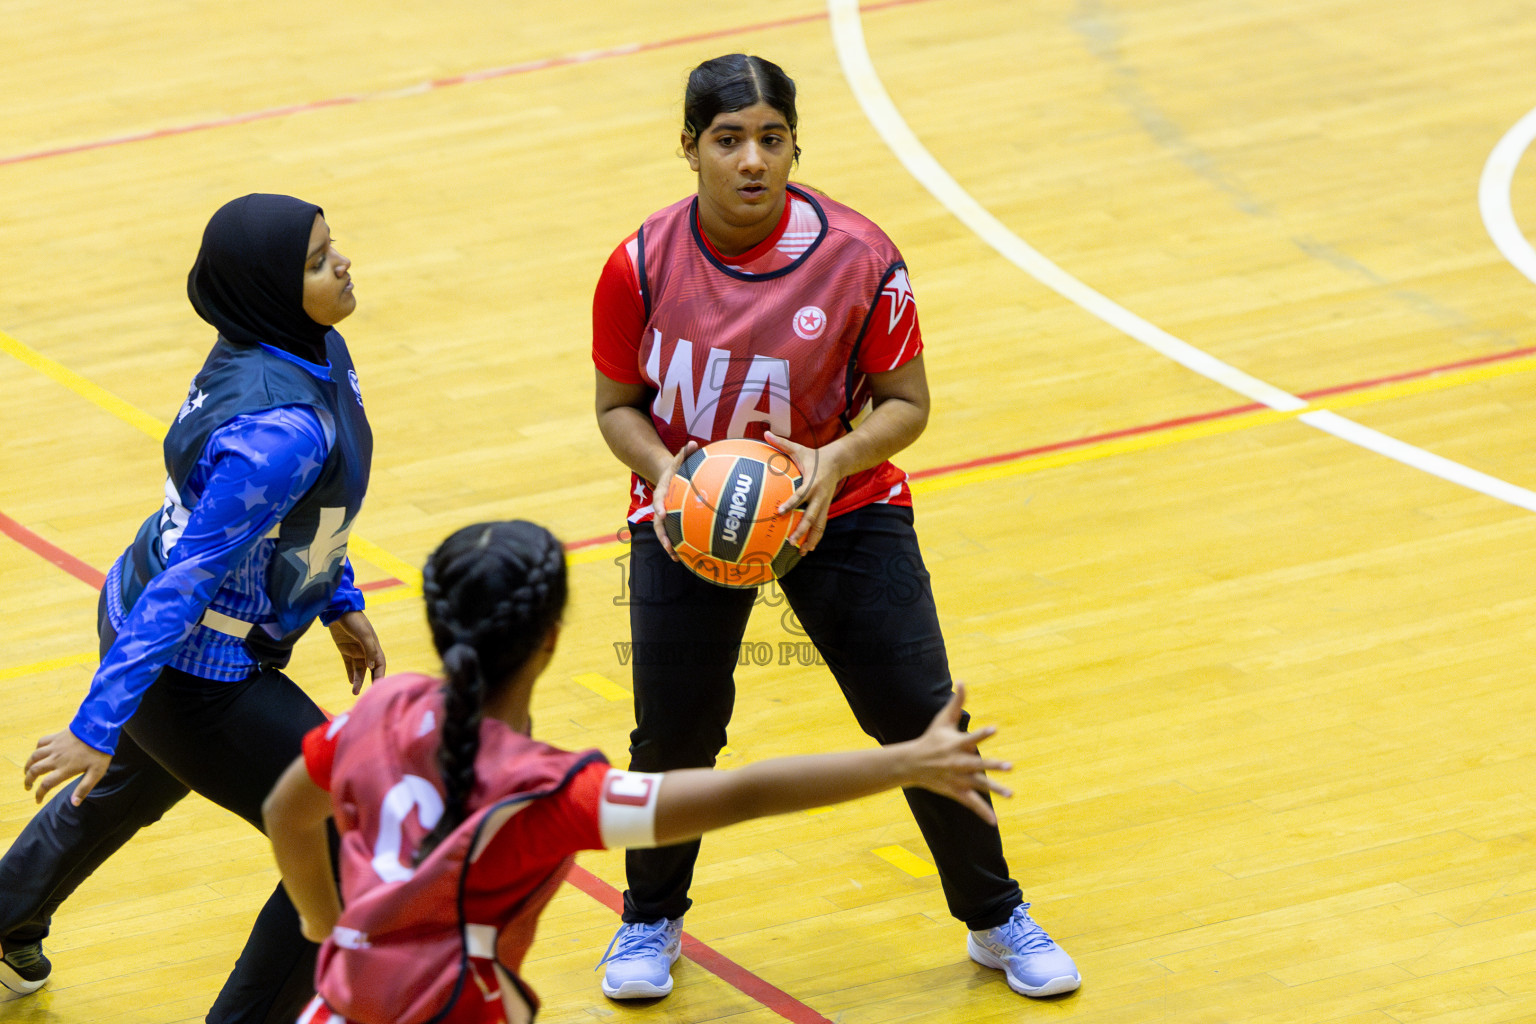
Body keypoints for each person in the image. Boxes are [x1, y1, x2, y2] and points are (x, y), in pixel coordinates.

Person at [589, 53, 1081, 1001]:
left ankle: (995, 918)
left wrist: (834, 461)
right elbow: (620, 408)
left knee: (923, 717)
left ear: (794, 146)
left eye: (771, 139)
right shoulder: (639, 264)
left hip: (841, 505)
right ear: (689, 148)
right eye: (728, 140)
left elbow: (906, 404)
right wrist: (677, 480)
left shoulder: (860, 257)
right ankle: (649, 923)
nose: (751, 161)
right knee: (674, 736)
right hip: (689, 518)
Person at [261, 519, 1010, 1024]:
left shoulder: (376, 711)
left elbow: (286, 815)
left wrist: (325, 925)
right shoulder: (549, 794)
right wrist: (905, 761)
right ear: (551, 639)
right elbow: (745, 792)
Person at [0, 193, 384, 1023]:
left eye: (332, 246)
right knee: (343, 838)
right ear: (271, 292)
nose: (343, 262)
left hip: (154, 615)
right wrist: (97, 723)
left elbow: (312, 511)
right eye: (318, 261)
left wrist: (336, 597)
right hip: (190, 661)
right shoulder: (278, 429)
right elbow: (191, 577)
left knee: (132, 786)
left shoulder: (300, 345)